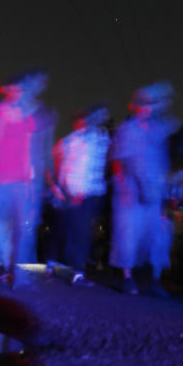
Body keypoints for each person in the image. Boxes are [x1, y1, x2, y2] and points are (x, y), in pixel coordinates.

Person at [0, 67, 57, 288]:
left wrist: (45, 180)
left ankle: (20, 278)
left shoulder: (34, 117)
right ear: (4, 90)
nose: (17, 93)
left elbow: (42, 149)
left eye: (21, 89)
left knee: (25, 231)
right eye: (13, 89)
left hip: (24, 184)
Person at [110, 82, 178, 296]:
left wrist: (169, 190)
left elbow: (169, 157)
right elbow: (118, 161)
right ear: (134, 106)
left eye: (151, 104)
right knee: (128, 234)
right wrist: (124, 186)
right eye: (143, 104)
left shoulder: (160, 130)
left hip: (155, 190)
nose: (147, 108)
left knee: (158, 235)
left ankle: (155, 280)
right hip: (130, 191)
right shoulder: (126, 129)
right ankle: (128, 278)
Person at [51, 103, 112, 285]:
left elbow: (107, 158)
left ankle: (73, 269)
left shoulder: (101, 137)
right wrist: (63, 188)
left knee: (82, 231)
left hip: (93, 192)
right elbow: (59, 165)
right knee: (73, 229)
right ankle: (71, 270)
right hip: (74, 192)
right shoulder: (70, 141)